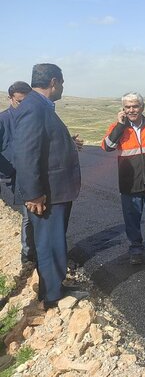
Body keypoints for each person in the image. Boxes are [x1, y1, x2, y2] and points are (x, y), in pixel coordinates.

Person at [12, 64, 84, 309]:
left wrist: (68, 144)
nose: (63, 87)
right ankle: (53, 295)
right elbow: (25, 153)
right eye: (62, 83)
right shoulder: (34, 107)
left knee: (52, 240)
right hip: (48, 193)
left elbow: (45, 145)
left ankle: (52, 287)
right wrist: (34, 192)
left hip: (53, 191)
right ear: (54, 82)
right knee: (49, 241)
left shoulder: (39, 106)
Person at [101, 92, 145, 265]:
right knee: (132, 218)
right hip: (129, 181)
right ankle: (136, 249)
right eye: (127, 107)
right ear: (123, 109)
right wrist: (119, 125)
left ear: (142, 107)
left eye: (135, 106)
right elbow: (107, 147)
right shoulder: (117, 127)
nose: (131, 110)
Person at [0, 81, 36, 264]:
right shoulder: (2, 120)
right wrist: (10, 171)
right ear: (10, 98)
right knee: (29, 215)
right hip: (17, 176)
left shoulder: (33, 118)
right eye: (20, 101)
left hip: (36, 174)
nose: (24, 105)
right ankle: (27, 255)